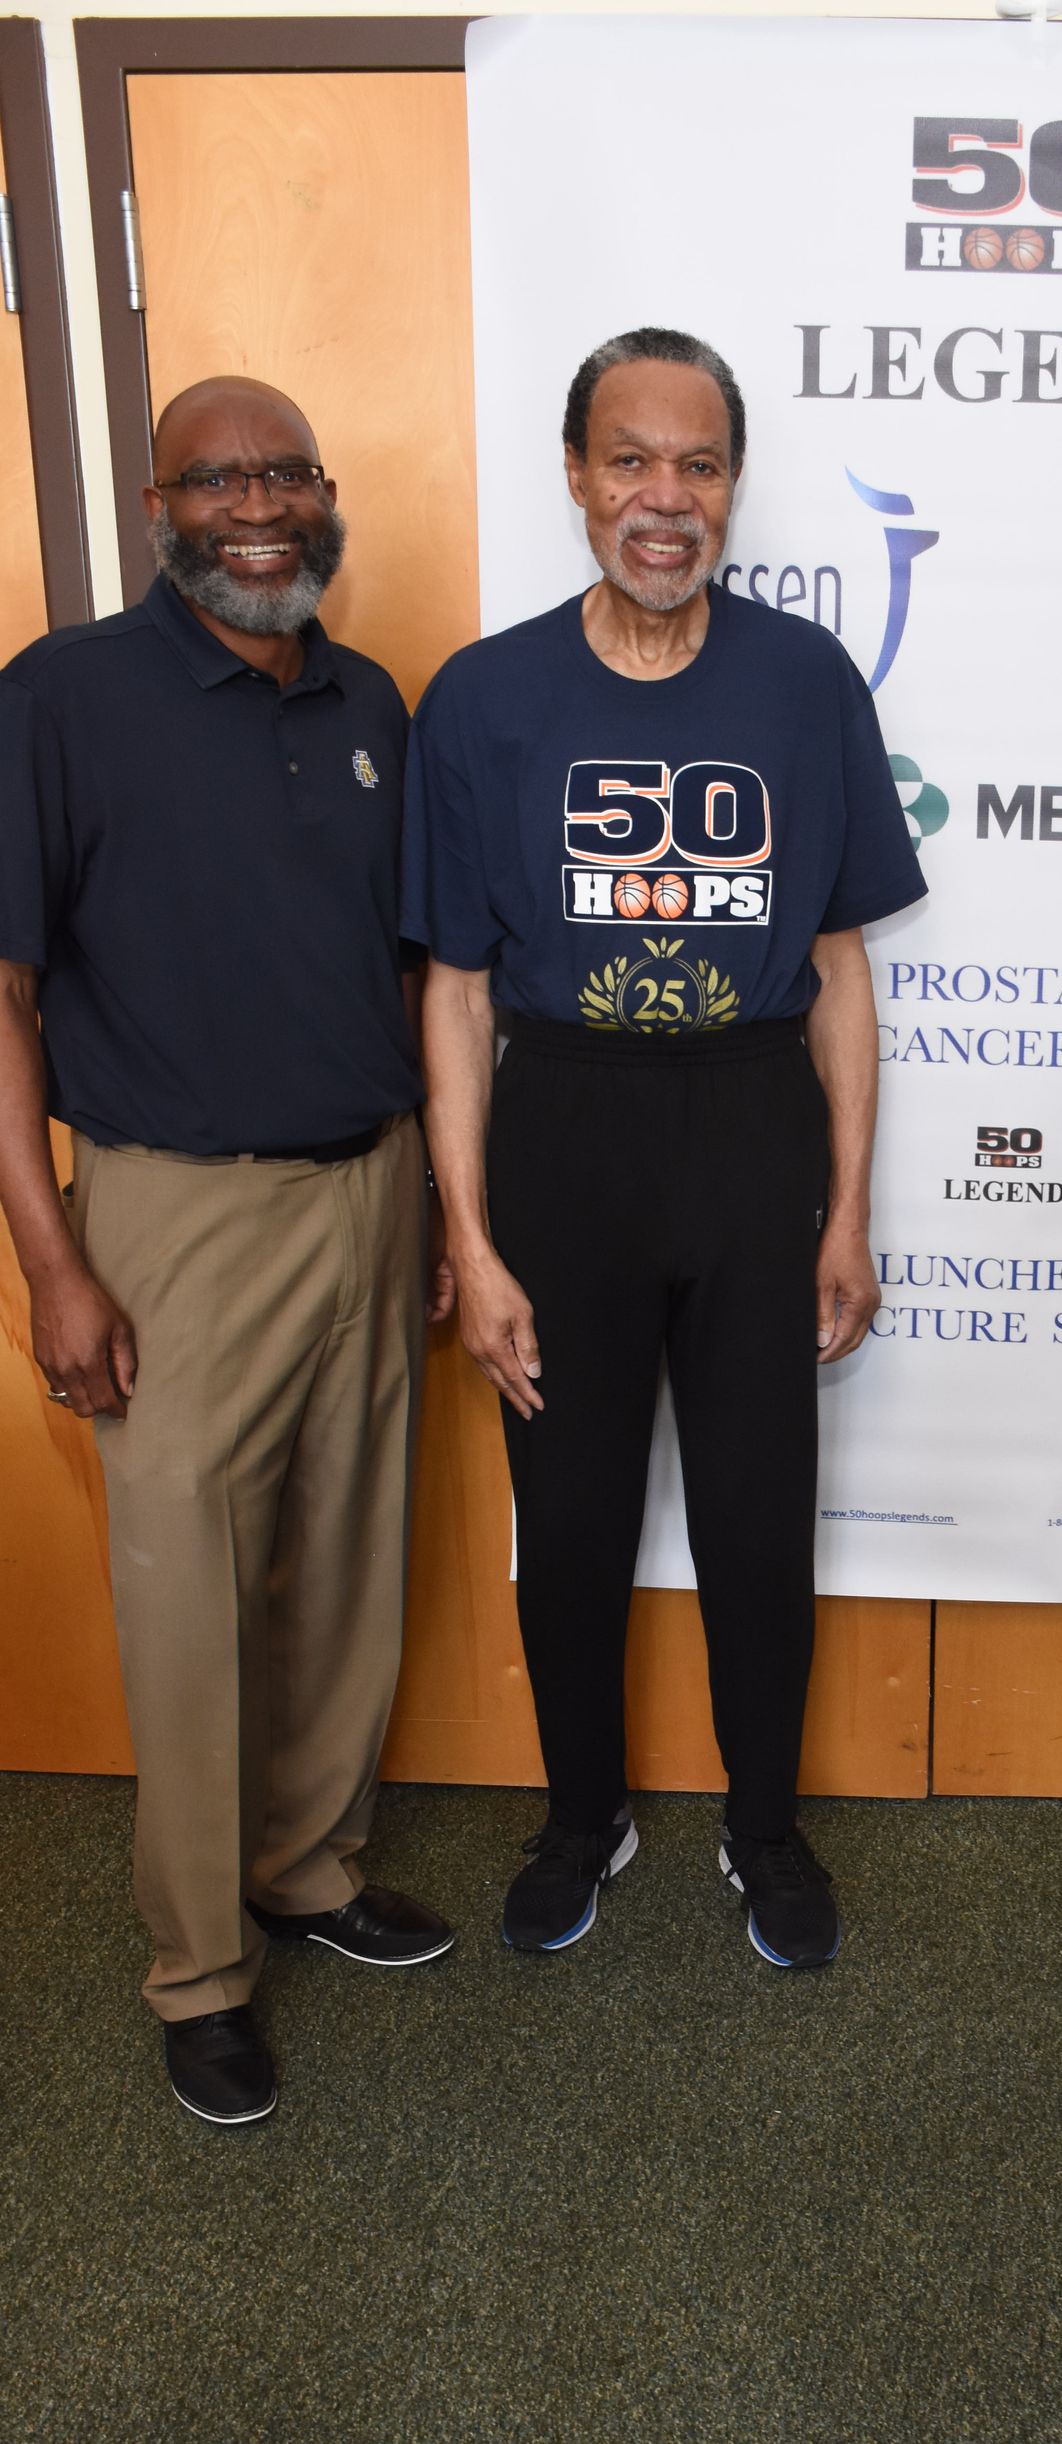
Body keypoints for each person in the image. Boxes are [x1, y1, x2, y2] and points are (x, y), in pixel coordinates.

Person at [408, 326, 924, 1968]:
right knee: (565, 1525)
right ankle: (584, 1813)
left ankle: (762, 1828)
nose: (664, 496)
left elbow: (841, 967)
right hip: (564, 1139)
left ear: (732, 487)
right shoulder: (485, 698)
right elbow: (455, 987)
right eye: (629, 459)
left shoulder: (800, 683)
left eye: (697, 464)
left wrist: (847, 1208)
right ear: (575, 476)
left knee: (760, 1527)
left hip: (751, 1131)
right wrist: (472, 1240)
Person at [0, 377, 455, 2129]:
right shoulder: (63, 700)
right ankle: (199, 1967)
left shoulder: (373, 701)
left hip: (373, 1179)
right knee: (188, 1606)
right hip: (173, 1209)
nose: (257, 504)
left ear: (326, 494)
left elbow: (412, 977)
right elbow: (8, 995)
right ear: (158, 504)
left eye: (285, 473)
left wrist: (435, 1208)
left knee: (350, 1560)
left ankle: (312, 1868)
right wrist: (53, 1260)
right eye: (218, 478)